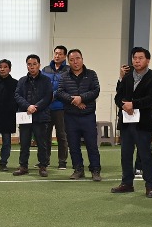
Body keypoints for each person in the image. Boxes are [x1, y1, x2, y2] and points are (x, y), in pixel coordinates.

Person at [111, 47, 152, 196]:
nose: (137, 61)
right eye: (134, 58)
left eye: (140, 58)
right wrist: (124, 105)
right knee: (126, 154)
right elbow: (118, 97)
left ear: (148, 60)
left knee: (145, 155)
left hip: (143, 123)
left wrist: (133, 104)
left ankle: (150, 186)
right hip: (126, 122)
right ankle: (127, 183)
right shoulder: (127, 77)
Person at [56, 48, 102, 181]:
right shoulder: (64, 76)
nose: (75, 62)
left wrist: (81, 98)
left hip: (88, 116)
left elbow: (96, 90)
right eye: (72, 60)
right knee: (73, 145)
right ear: (68, 62)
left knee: (92, 145)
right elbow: (59, 93)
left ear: (82, 59)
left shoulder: (91, 74)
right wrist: (74, 101)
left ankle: (95, 170)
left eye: (77, 59)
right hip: (70, 116)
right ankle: (78, 169)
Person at [13, 54, 54, 176]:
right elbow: (17, 95)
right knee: (24, 143)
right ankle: (23, 166)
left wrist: (36, 107)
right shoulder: (22, 80)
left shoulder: (46, 80)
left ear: (39, 65)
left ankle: (43, 166)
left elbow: (48, 96)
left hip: (41, 116)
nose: (32, 67)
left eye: (34, 64)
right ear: (27, 66)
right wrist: (28, 106)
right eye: (29, 64)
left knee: (42, 143)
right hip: (25, 115)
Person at [43, 45, 71, 169]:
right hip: (47, 107)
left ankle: (62, 161)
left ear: (65, 56)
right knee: (45, 136)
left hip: (61, 107)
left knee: (61, 135)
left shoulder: (68, 70)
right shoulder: (46, 69)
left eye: (60, 54)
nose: (57, 56)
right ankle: (45, 160)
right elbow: (42, 85)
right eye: (55, 53)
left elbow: (68, 87)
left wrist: (55, 95)